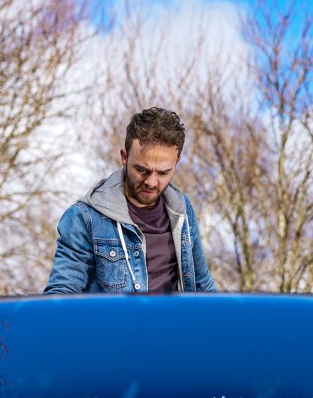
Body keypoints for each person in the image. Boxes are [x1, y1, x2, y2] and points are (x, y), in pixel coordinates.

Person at [44, 107, 216, 294]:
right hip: (116, 324)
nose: (151, 182)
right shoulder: (84, 218)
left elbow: (203, 285)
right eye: (142, 170)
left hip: (176, 323)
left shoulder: (182, 210)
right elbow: (61, 294)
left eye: (163, 172)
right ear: (124, 157)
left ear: (177, 162)